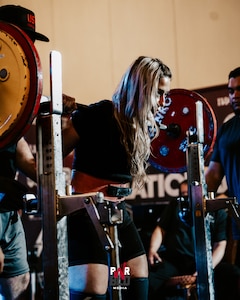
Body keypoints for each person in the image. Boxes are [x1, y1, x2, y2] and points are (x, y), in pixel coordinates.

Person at [62, 56, 172, 299]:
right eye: (158, 93)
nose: (163, 102)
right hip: (86, 211)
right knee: (96, 286)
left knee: (136, 277)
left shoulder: (141, 128)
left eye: (167, 95)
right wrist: (60, 116)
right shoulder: (99, 114)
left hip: (117, 212)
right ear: (141, 89)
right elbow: (55, 150)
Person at [0, 5, 49, 299]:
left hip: (7, 208)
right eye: (22, 38)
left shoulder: (15, 101)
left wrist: (51, 178)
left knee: (17, 284)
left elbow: (22, 155)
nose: (28, 47)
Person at [148, 179, 240, 300]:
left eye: (188, 193)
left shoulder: (218, 212)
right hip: (175, 261)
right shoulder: (176, 205)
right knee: (149, 279)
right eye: (183, 194)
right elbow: (160, 229)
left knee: (233, 273)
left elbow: (220, 244)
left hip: (204, 262)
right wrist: (153, 249)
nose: (186, 197)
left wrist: (208, 267)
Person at [205, 67, 240, 266]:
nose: (234, 95)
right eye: (231, 90)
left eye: (239, 89)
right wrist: (195, 199)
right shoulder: (226, 129)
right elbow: (213, 176)